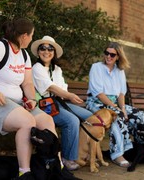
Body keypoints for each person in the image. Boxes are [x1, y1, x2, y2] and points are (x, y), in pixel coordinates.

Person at [0, 18, 57, 179]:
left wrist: (31, 99)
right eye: (31, 35)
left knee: (47, 121)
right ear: (24, 36)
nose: (31, 39)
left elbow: (28, 82)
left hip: (15, 104)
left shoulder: (24, 55)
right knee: (27, 122)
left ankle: (55, 166)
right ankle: (24, 172)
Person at [31, 35, 93, 171]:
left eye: (50, 49)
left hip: (58, 102)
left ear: (54, 53)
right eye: (43, 48)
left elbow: (62, 88)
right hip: (44, 105)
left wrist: (65, 94)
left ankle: (84, 153)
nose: (46, 51)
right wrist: (69, 95)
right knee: (71, 120)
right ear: (38, 51)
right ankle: (68, 158)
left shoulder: (57, 70)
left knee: (91, 117)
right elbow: (51, 88)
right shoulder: (36, 68)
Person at [86, 42, 144, 168]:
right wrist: (117, 109)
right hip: (97, 103)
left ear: (118, 56)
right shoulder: (96, 67)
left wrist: (123, 108)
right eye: (106, 53)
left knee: (140, 116)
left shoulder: (119, 71)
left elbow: (121, 94)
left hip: (114, 103)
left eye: (112, 55)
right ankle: (117, 154)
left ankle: (139, 148)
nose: (108, 56)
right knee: (117, 116)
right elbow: (98, 94)